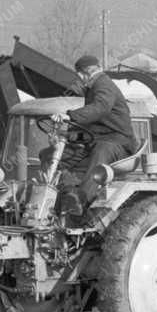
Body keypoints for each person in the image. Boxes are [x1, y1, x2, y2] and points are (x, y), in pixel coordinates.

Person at [52, 55, 135, 212]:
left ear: (85, 73)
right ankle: (59, 193)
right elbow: (92, 123)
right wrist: (68, 136)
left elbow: (100, 108)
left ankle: (81, 200)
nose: (80, 80)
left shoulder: (104, 85)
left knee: (101, 150)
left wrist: (71, 115)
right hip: (97, 140)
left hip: (118, 143)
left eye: (80, 76)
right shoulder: (92, 88)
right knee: (54, 155)